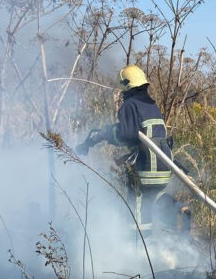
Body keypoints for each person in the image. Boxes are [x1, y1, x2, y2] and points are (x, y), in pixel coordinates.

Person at [76, 65, 187, 232]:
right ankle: (178, 208)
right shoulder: (151, 105)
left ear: (126, 86)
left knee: (138, 206)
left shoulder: (130, 105)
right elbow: (147, 137)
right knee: (154, 196)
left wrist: (107, 134)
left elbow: (127, 134)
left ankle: (139, 245)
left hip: (147, 166)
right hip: (164, 164)